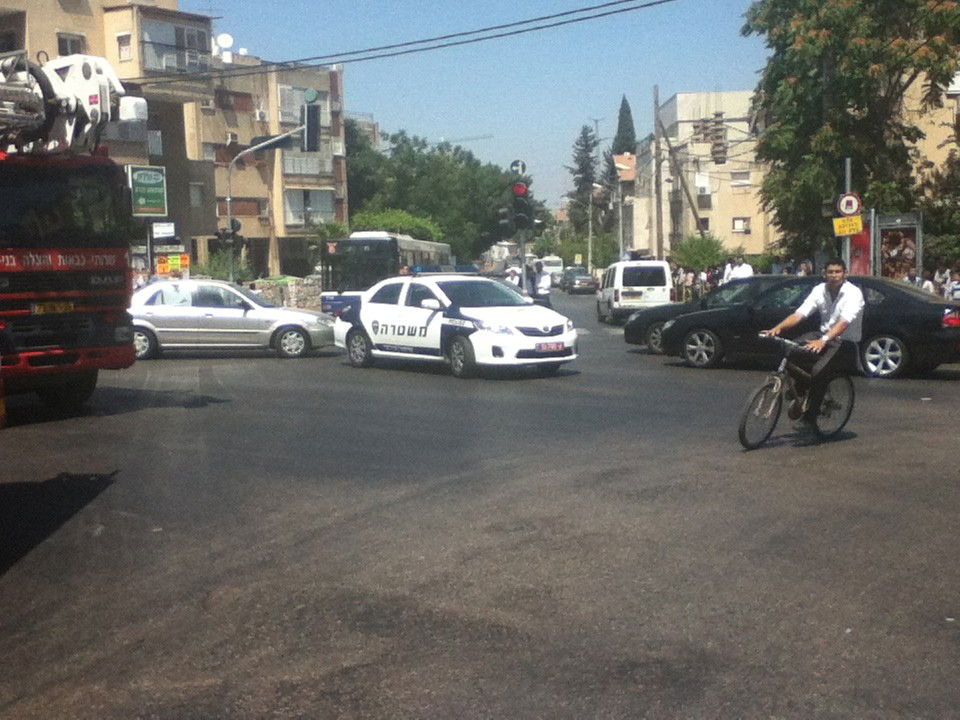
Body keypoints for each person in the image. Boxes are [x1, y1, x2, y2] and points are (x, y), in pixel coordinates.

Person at [763, 258, 865, 433]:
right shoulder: (819, 290)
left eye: (837, 272)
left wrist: (823, 340)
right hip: (823, 335)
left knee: (819, 371)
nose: (834, 276)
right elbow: (800, 314)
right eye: (830, 272)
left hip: (844, 342)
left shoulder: (853, 293)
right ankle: (802, 390)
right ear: (824, 274)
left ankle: (809, 419)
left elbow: (843, 323)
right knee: (791, 349)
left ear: (845, 274)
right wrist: (777, 328)